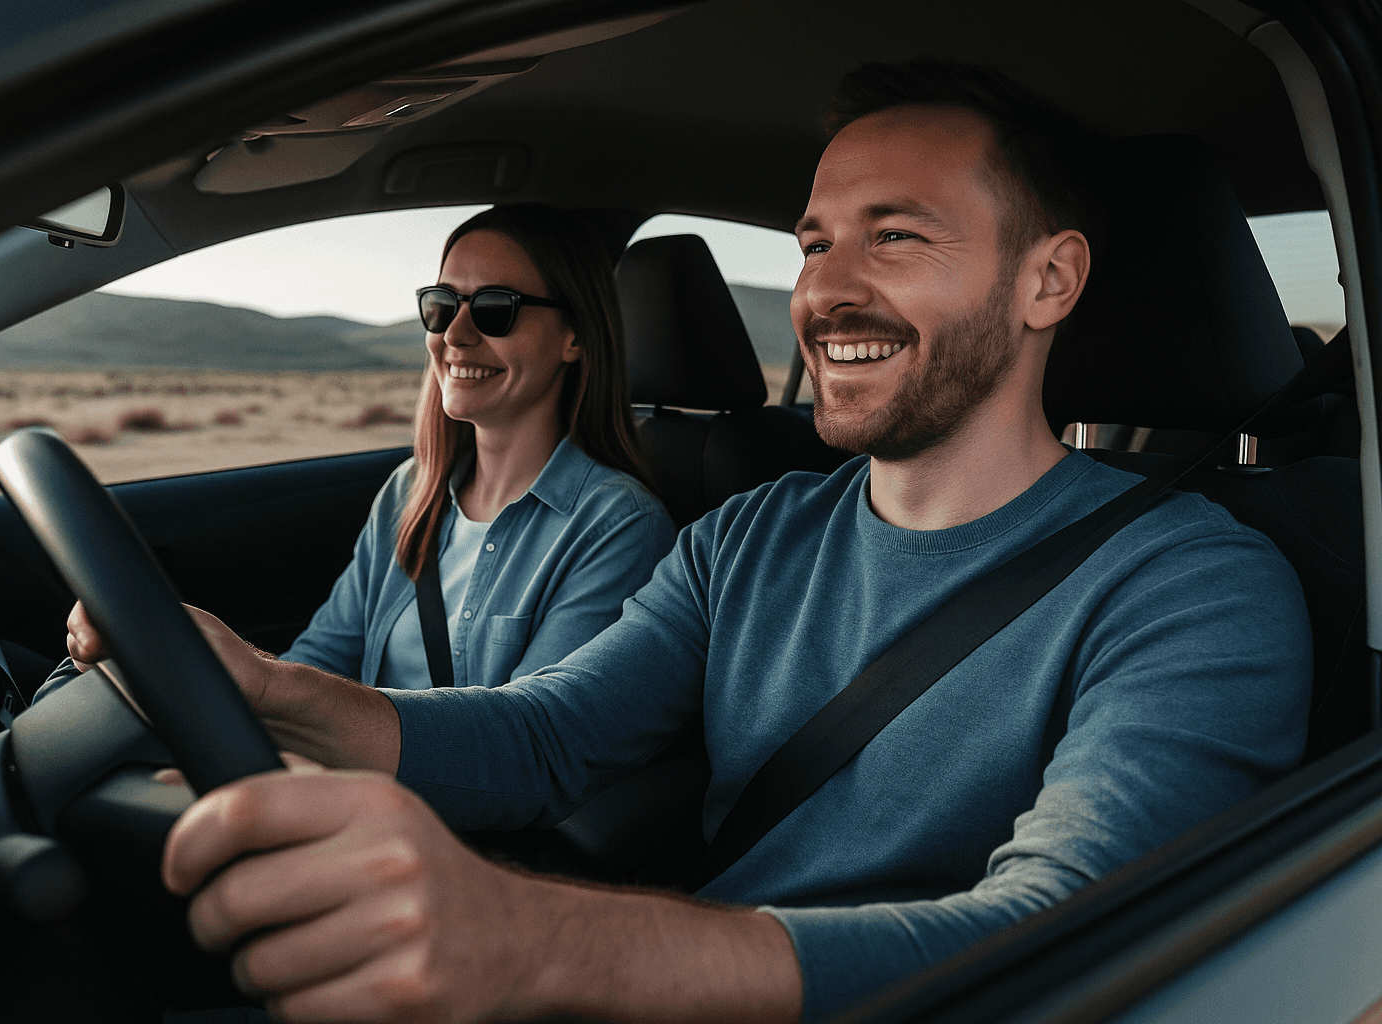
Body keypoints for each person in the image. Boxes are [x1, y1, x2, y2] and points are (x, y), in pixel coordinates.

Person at [76, 60, 1310, 1023]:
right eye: (816, 241)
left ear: (1049, 282)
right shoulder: (745, 538)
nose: (826, 290)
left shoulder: (1192, 588)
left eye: (897, 234)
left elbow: (1051, 935)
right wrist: (261, 686)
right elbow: (547, 735)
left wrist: (533, 939)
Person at [65, 203, 675, 698]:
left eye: (495, 309)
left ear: (574, 336)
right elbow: (324, 658)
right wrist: (202, 666)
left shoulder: (616, 527)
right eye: (441, 307)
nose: (455, 336)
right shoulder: (411, 492)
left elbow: (526, 746)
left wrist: (264, 691)